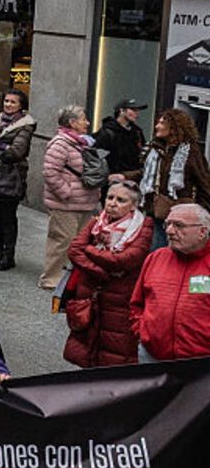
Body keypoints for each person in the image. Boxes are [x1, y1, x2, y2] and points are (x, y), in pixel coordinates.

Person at [63, 180, 153, 368]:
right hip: (90, 293)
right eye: (110, 197)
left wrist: (90, 249)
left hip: (119, 298)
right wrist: (100, 271)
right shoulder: (97, 221)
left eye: (121, 200)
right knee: (86, 344)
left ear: (134, 205)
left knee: (114, 348)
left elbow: (123, 260)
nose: (112, 203)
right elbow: (75, 250)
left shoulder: (144, 227)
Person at [131, 202, 210, 361]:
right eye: (168, 224)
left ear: (202, 231)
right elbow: (137, 303)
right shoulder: (156, 257)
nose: (169, 231)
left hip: (201, 363)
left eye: (179, 225)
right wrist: (142, 332)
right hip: (152, 355)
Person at [41, 105, 101, 289]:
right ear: (72, 122)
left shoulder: (82, 143)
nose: (87, 123)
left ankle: (72, 277)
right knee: (62, 241)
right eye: (83, 119)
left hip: (84, 203)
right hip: (65, 204)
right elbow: (50, 172)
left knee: (80, 242)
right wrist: (66, 193)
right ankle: (51, 279)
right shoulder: (60, 144)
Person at [0, 89, 36, 268]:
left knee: (7, 219)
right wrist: (1, 145)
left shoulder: (26, 125)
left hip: (11, 177)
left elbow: (16, 151)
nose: (8, 104)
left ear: (21, 105)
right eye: (6, 101)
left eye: (13, 102)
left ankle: (8, 255)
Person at [139, 108, 210, 249]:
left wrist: (203, 212)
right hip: (158, 211)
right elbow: (147, 173)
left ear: (173, 127)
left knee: (180, 249)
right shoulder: (156, 149)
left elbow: (203, 181)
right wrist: (125, 176)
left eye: (162, 123)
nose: (157, 126)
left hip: (183, 213)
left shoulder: (191, 152)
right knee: (158, 250)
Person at [94, 99, 148, 183]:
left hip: (135, 179)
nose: (136, 114)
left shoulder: (137, 132)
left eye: (137, 110)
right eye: (133, 110)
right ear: (122, 111)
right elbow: (97, 158)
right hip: (113, 180)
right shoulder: (107, 132)